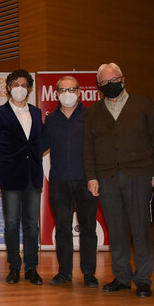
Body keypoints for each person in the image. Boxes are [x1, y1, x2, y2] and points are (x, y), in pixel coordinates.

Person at [84, 63, 154, 298]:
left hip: (139, 176)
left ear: (123, 79)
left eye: (113, 81)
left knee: (140, 229)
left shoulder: (143, 104)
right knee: (116, 230)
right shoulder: (94, 111)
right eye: (104, 83)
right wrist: (91, 177)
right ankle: (121, 277)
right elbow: (88, 147)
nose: (109, 85)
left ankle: (143, 279)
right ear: (98, 86)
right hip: (106, 178)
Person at [42, 76, 99, 288]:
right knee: (63, 229)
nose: (67, 94)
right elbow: (41, 145)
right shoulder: (51, 119)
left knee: (88, 229)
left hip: (86, 180)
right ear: (56, 94)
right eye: (63, 90)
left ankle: (89, 274)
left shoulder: (90, 115)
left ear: (79, 92)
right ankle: (64, 272)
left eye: (71, 89)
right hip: (58, 181)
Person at [0, 69, 44, 286]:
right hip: (9, 177)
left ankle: (32, 268)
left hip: (33, 176)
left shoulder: (37, 112)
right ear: (8, 88)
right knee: (12, 224)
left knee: (32, 224)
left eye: (24, 85)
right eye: (15, 84)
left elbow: (41, 142)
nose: (19, 88)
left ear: (29, 89)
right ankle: (14, 266)